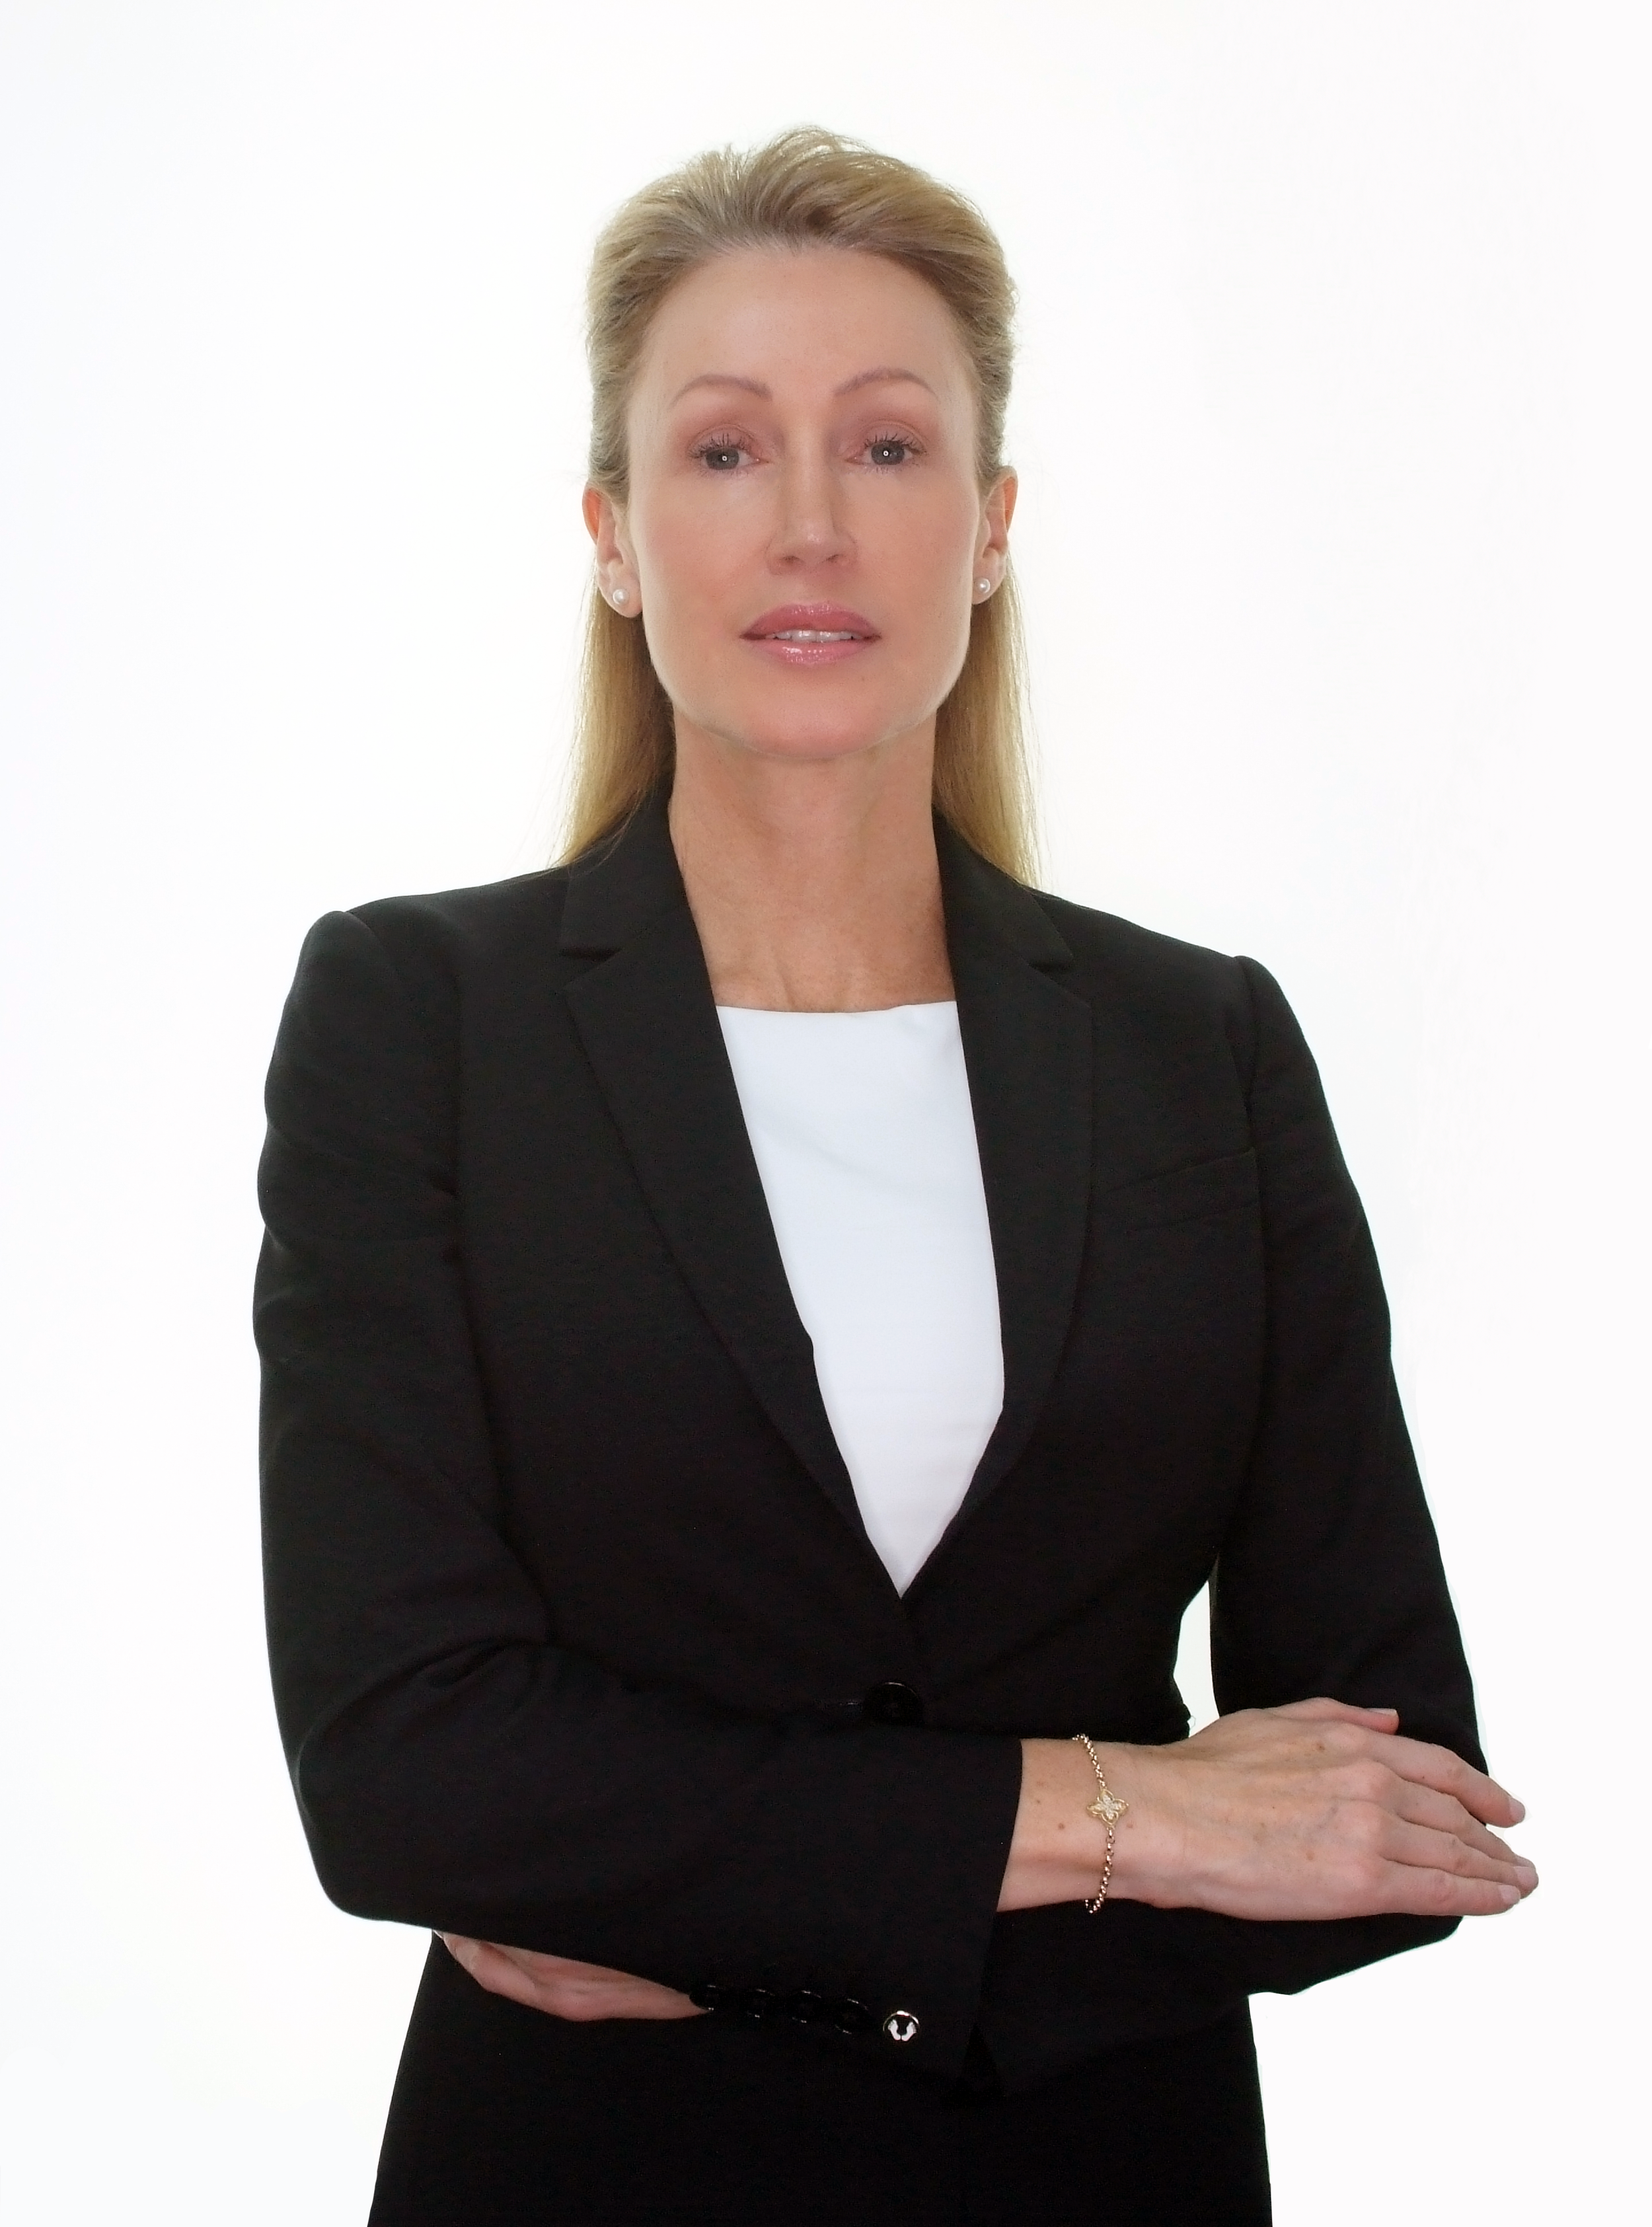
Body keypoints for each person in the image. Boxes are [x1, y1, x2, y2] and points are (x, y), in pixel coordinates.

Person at [255, 128, 1536, 2226]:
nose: (814, 529)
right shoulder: (421, 1018)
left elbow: (1389, 1816)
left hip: (1100, 2177)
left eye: (888, 444)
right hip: (575, 2180)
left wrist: (702, 1892)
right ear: (611, 532)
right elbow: (405, 1775)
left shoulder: (1199, 1049)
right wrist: (1136, 1813)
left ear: (992, 524)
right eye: (727, 452)